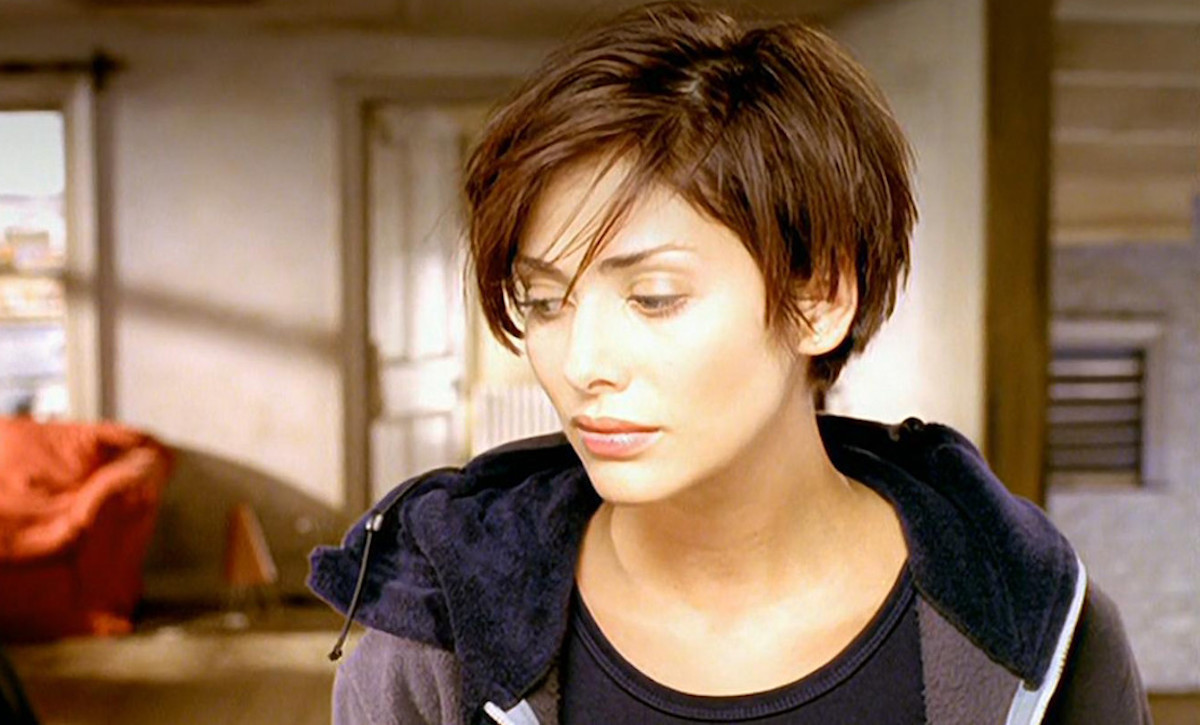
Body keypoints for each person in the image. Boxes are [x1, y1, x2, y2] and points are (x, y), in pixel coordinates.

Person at [308, 3, 1150, 723]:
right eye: (543, 300)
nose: (581, 363)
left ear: (819, 297)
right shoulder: (430, 649)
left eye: (653, 297)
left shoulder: (1039, 635)